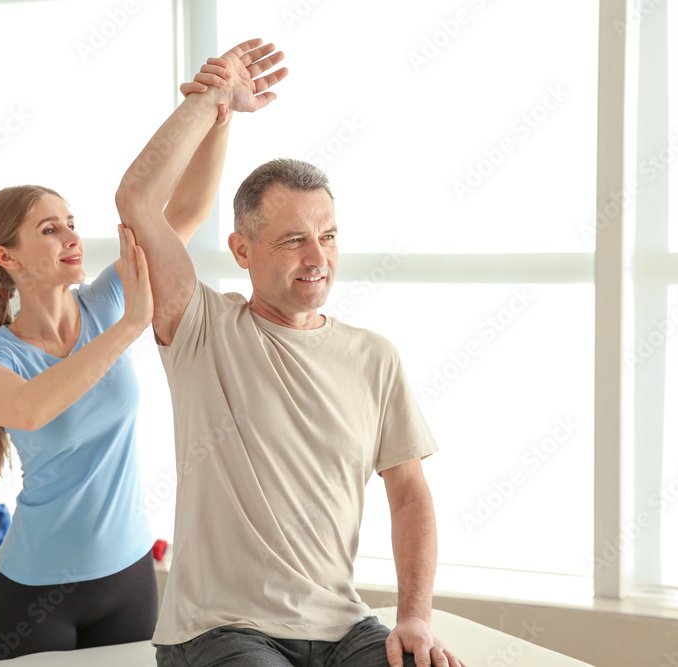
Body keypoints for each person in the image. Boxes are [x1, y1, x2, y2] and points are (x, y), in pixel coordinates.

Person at [115, 39, 465, 667]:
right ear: (241, 250)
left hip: (342, 626)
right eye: (294, 240)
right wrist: (212, 98)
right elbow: (138, 199)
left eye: (328, 236)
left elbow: (409, 492)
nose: (317, 257)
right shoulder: (201, 329)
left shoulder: (374, 357)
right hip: (220, 629)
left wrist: (415, 616)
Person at [0, 50, 274, 661]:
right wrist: (131, 326)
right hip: (36, 593)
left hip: (129, 575)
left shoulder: (104, 301)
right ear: (6, 257)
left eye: (71, 222)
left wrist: (221, 114)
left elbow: (183, 213)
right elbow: (28, 410)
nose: (72, 236)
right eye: (49, 229)